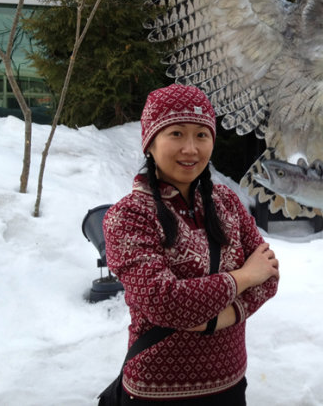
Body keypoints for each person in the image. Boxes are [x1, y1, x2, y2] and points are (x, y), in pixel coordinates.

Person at [103, 84, 279, 404]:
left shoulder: (226, 201)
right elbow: (164, 301)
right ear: (150, 143)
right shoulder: (128, 216)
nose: (190, 149)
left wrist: (209, 320)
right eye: (176, 134)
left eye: (201, 135)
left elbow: (268, 274)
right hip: (157, 392)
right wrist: (243, 277)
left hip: (230, 385)